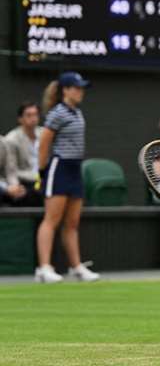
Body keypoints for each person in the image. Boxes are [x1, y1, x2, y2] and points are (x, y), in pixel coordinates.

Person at [35, 72, 100, 283]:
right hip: (59, 167)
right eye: (77, 87)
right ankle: (44, 268)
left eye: (82, 88)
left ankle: (76, 267)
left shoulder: (78, 113)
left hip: (75, 169)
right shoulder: (57, 113)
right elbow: (44, 142)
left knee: (72, 223)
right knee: (51, 220)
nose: (80, 92)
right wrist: (42, 171)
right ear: (66, 90)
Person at [3, 101, 43, 207]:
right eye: (29, 115)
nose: (33, 118)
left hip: (44, 180)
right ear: (20, 119)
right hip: (25, 182)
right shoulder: (11, 139)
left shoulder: (44, 134)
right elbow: (11, 170)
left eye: (35, 114)